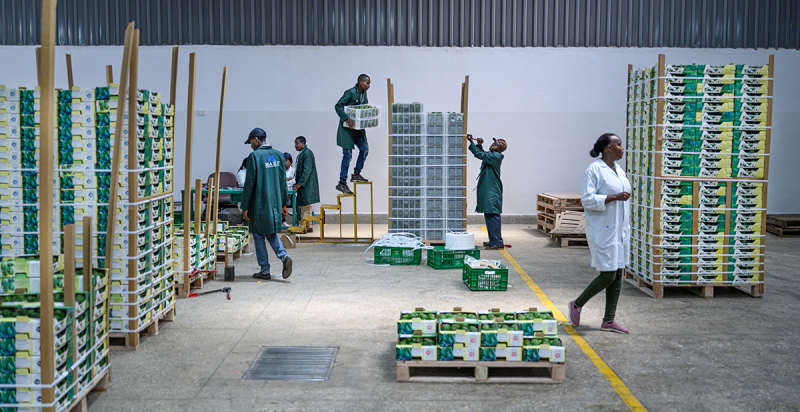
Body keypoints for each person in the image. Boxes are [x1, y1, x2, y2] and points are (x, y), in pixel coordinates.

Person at [568, 133, 631, 334]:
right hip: (603, 230)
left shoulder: (618, 170)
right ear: (608, 148)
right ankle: (577, 304)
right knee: (608, 275)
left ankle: (609, 320)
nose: (622, 148)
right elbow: (587, 199)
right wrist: (613, 197)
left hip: (619, 230)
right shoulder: (594, 169)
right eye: (619, 145)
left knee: (618, 273)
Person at [241, 127, 293, 280]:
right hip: (276, 203)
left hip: (259, 203)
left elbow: (249, 183)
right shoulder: (278, 155)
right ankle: (284, 256)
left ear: (256, 139)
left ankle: (264, 270)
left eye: (251, 141)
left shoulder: (254, 156)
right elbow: (283, 181)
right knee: (270, 232)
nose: (250, 145)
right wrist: (284, 203)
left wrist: (245, 206)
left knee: (258, 234)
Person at [466, 134, 507, 250]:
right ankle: (494, 240)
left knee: (493, 215)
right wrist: (479, 145)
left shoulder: (497, 156)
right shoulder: (493, 155)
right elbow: (483, 153)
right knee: (489, 215)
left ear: (499, 149)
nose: (492, 145)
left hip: (492, 191)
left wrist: (472, 143)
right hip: (490, 189)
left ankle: (497, 242)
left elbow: (480, 155)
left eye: (495, 145)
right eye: (493, 143)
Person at [334, 74, 371, 195]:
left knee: (365, 149)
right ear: (360, 82)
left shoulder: (363, 94)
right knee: (347, 155)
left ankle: (356, 174)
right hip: (347, 130)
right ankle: (342, 183)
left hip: (358, 129)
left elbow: (364, 108)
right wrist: (347, 118)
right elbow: (338, 106)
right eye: (367, 83)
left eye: (369, 83)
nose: (368, 86)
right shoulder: (350, 92)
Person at [292, 136, 320, 234]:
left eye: (297, 143)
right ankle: (307, 225)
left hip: (307, 184)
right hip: (304, 184)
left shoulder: (307, 154)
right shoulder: (302, 154)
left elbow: (306, 170)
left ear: (303, 143)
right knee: (305, 205)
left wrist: (300, 183)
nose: (295, 146)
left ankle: (304, 226)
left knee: (305, 205)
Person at [282, 152, 296, 227]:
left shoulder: (293, 170)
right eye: (283, 160)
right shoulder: (279, 170)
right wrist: (286, 179)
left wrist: (287, 180)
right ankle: (283, 221)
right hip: (282, 191)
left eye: (286, 160)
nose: (285, 162)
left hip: (290, 192)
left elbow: (294, 181)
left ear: (290, 161)